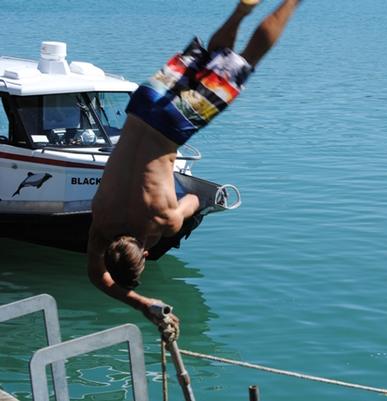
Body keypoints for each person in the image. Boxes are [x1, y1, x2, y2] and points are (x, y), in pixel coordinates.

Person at [87, 0, 302, 334]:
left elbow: (195, 201)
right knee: (212, 58)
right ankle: (240, 12)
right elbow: (95, 275)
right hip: (142, 104)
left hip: (174, 123)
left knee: (246, 62)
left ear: (144, 253)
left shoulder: (164, 221)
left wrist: (182, 212)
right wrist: (143, 302)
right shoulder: (100, 218)